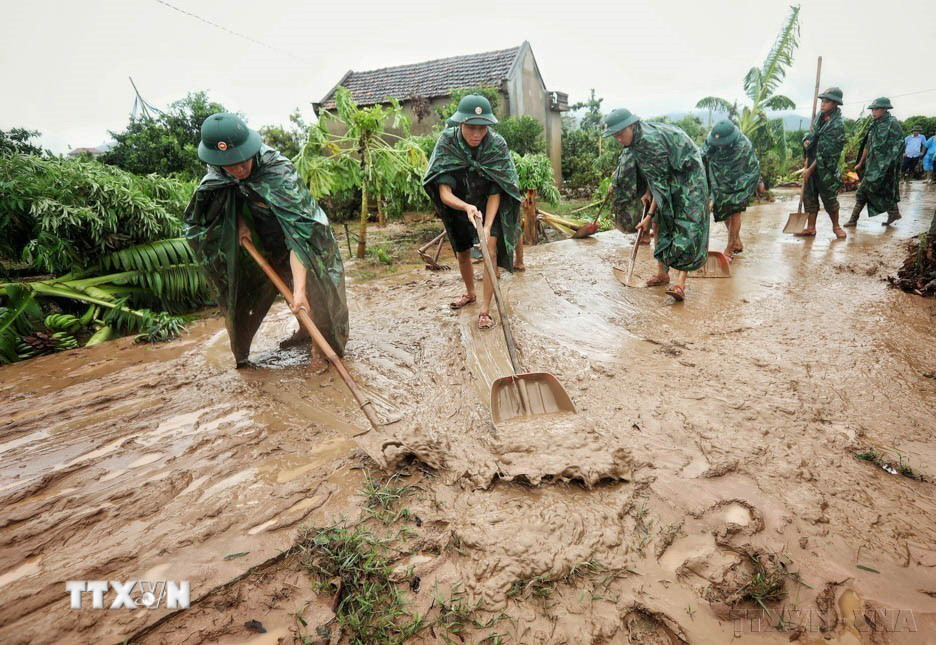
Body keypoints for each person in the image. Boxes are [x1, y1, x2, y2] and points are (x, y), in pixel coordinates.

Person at [184, 113, 349, 368]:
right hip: (266, 240)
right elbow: (227, 198)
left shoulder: (277, 170)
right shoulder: (219, 169)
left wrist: (301, 290)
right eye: (230, 165)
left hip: (306, 239)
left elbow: (300, 234)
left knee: (313, 294)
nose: (238, 169)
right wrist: (240, 223)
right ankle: (305, 331)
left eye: (242, 161)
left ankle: (321, 348)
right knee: (285, 285)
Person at [423, 95, 522, 330]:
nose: (477, 134)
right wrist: (466, 207)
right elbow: (444, 192)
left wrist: (486, 227)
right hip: (458, 205)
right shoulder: (447, 142)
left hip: (488, 204)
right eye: (471, 128)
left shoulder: (497, 145)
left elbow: (498, 189)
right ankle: (470, 292)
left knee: (490, 251)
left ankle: (485, 310)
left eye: (482, 128)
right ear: (460, 124)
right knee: (462, 252)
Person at [604, 108, 709, 301]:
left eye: (620, 134)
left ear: (632, 126)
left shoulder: (649, 142)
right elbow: (656, 175)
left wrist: (648, 215)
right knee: (660, 221)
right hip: (670, 172)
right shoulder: (635, 141)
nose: (618, 139)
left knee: (687, 225)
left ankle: (680, 283)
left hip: (689, 175)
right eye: (614, 136)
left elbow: (663, 181)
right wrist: (647, 192)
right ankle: (662, 274)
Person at [701, 119, 764, 256]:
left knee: (734, 208)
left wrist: (714, 196)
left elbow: (732, 178)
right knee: (723, 209)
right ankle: (737, 241)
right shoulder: (711, 142)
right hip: (721, 179)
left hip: (743, 178)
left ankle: (729, 249)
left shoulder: (742, 147)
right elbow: (702, 157)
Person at [847, 97, 905, 227]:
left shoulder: (892, 123)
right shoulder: (874, 124)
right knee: (879, 190)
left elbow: (899, 145)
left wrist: (888, 164)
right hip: (872, 165)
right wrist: (861, 162)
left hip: (885, 167)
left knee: (866, 190)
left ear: (885, 109)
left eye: (876, 109)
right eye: (872, 109)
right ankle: (894, 212)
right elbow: (868, 145)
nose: (873, 112)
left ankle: (853, 220)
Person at [797, 87, 847, 239]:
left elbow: (826, 154)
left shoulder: (837, 125)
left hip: (826, 167)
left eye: (826, 101)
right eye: (822, 101)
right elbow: (813, 134)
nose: (822, 104)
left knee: (829, 198)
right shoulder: (820, 116)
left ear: (835, 104)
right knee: (809, 196)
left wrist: (810, 170)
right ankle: (811, 227)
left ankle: (836, 226)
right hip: (812, 161)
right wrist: (806, 140)